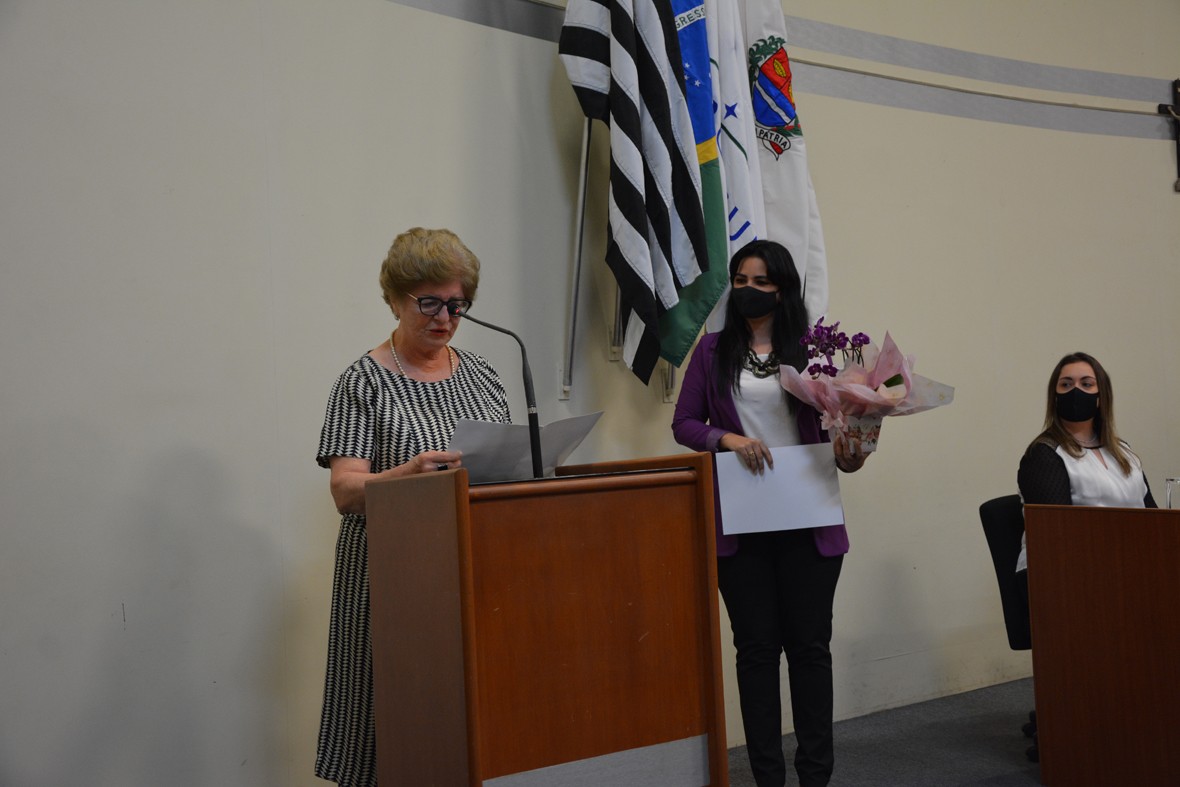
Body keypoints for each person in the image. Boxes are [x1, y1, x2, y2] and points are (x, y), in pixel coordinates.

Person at [314, 227, 512, 786]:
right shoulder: (363, 382)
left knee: (466, 720)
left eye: (457, 304)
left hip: (472, 571)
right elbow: (345, 492)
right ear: (396, 299)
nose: (445, 318)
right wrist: (407, 475)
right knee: (389, 721)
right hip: (391, 578)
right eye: (430, 303)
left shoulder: (482, 375)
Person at [672, 239, 867, 787]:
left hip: (809, 518)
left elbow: (842, 438)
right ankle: (767, 778)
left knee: (810, 650)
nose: (748, 290)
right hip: (743, 523)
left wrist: (854, 450)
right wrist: (726, 437)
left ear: (783, 289)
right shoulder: (711, 351)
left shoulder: (816, 352)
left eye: (760, 281)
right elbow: (684, 423)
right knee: (756, 652)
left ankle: (815, 776)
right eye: (740, 281)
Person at [1015, 351, 1156, 760]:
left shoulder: (1123, 451)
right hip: (1061, 576)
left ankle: (1145, 715)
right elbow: (1057, 534)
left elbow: (1151, 516)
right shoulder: (1044, 454)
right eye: (1066, 384)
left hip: (1123, 570)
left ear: (1101, 394)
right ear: (1054, 395)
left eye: (1086, 383)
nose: (1075, 391)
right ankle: (1078, 725)